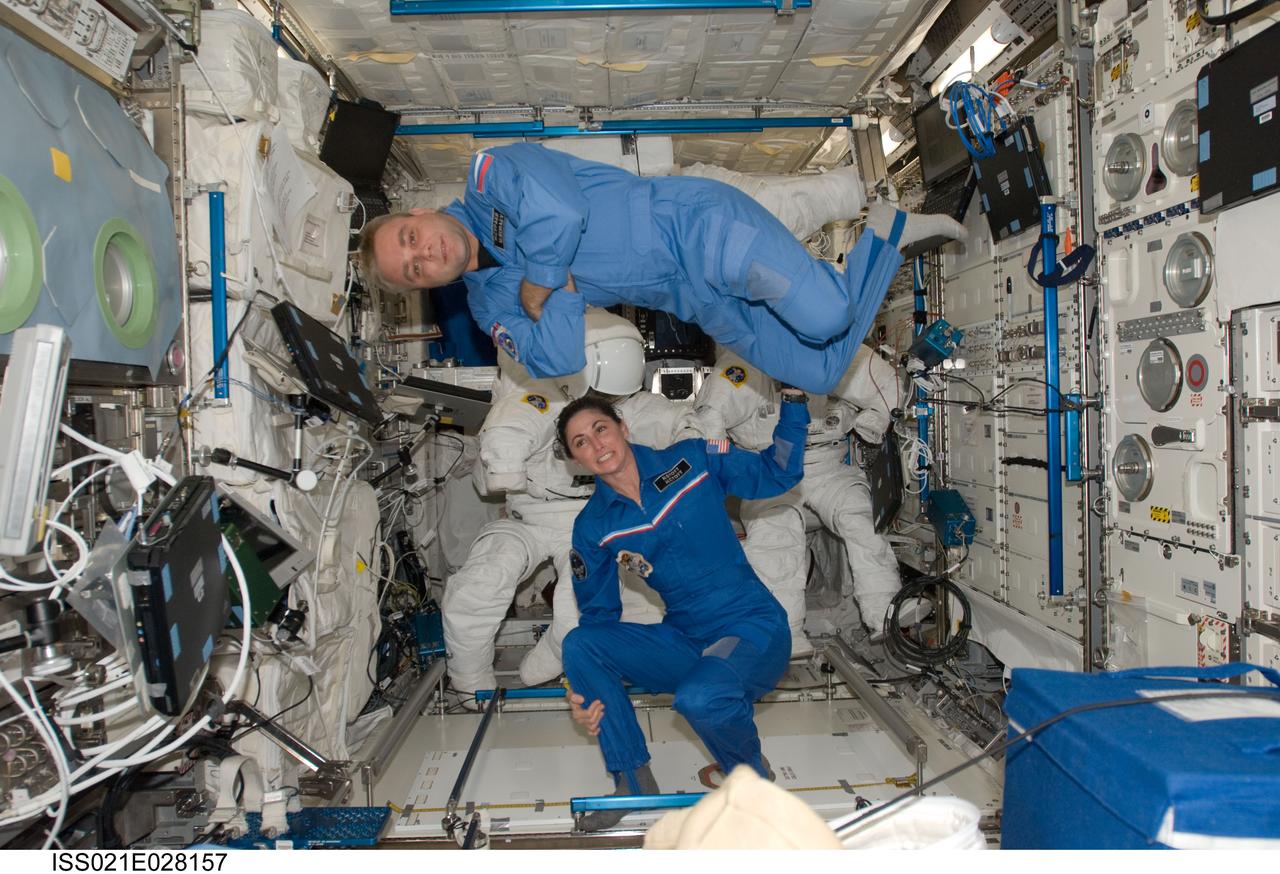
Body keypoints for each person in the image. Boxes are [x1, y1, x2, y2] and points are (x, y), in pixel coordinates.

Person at [357, 142, 962, 395]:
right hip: (694, 300)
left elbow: (560, 212)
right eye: (412, 270)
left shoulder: (486, 177)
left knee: (828, 314)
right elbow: (558, 359)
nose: (425, 256)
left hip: (700, 230)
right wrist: (556, 296)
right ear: (424, 286)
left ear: (418, 212)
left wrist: (543, 284)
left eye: (411, 239)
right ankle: (887, 231)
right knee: (823, 369)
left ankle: (844, 255)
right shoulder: (489, 304)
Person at [557, 386, 809, 831]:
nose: (596, 445)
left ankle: (751, 777)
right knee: (581, 644)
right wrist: (580, 690)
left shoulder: (693, 459)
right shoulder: (593, 526)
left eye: (600, 429)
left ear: (623, 428)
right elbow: (599, 617)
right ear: (576, 460)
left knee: (700, 698)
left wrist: (794, 403)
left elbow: (778, 473)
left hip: (751, 628)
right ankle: (633, 782)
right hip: (686, 638)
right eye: (581, 442)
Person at [442, 309, 706, 695]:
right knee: (479, 584)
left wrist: (692, 438)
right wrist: (505, 467)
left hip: (588, 525)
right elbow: (509, 429)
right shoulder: (538, 400)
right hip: (525, 520)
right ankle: (469, 686)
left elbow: (670, 419)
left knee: (579, 607)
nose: (607, 402)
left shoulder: (625, 406)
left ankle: (551, 655)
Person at [695, 346, 903, 652]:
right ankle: (785, 632)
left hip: (827, 463)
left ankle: (886, 612)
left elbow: (887, 388)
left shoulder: (836, 353)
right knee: (775, 536)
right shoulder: (743, 366)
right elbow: (710, 419)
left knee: (859, 516)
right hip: (771, 467)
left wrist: (871, 423)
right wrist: (720, 472)